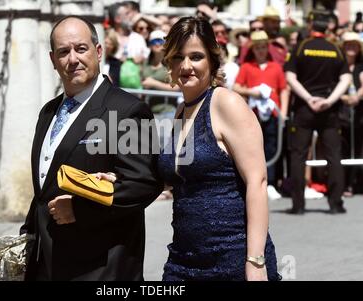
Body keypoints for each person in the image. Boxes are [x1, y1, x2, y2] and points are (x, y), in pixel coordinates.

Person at [20, 16, 163, 280]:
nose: (72, 59)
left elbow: (143, 185)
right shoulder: (48, 112)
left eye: (81, 49)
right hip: (47, 267)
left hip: (100, 270)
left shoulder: (126, 110)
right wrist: (25, 243)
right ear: (53, 60)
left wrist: (80, 210)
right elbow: (44, 188)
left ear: (98, 52)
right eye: (63, 52)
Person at [157, 16, 280, 281]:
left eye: (196, 56)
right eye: (178, 57)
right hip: (182, 259)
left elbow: (257, 182)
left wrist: (256, 261)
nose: (186, 66)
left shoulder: (227, 103)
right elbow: (180, 180)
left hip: (233, 259)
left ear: (212, 60)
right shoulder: (181, 112)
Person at [284, 10, 352, 215]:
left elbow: (290, 77)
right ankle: (336, 204)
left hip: (305, 108)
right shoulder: (336, 49)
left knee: (298, 156)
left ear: (311, 26)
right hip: (328, 110)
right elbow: (346, 79)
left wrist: (308, 98)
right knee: (334, 156)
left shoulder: (300, 47)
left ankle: (298, 205)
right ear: (328, 27)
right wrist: (329, 100)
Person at [233, 30, 289, 201]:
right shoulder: (247, 67)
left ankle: (270, 182)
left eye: (264, 47)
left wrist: (283, 114)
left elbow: (284, 90)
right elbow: (236, 87)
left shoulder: (276, 67)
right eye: (258, 48)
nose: (261, 51)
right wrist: (252, 92)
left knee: (272, 147)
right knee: (254, 148)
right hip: (253, 113)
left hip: (273, 113)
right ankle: (254, 181)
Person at [339, 31, 363, 196]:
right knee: (343, 148)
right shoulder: (338, 65)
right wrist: (343, 97)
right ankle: (344, 184)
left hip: (359, 112)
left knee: (360, 148)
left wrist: (357, 96)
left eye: (354, 45)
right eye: (348, 44)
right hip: (341, 112)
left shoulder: (362, 66)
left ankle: (358, 183)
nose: (351, 48)